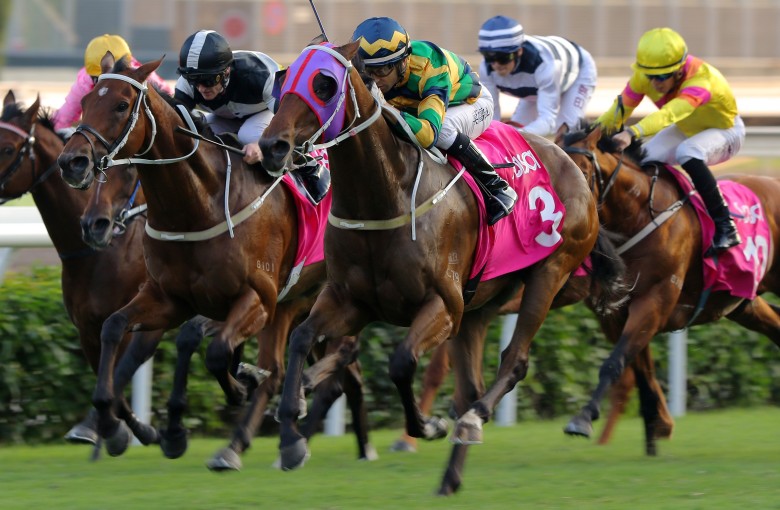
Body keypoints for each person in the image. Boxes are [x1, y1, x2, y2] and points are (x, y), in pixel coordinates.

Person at [351, 16, 517, 226]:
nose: (375, 79)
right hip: (414, 107)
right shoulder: (375, 74)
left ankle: (496, 186)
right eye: (367, 71)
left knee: (444, 129)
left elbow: (429, 135)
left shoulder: (430, 65)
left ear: (403, 62)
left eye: (383, 70)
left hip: (468, 104)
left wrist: (384, 106)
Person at [596, 27, 744, 253]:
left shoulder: (703, 81)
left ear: (679, 70)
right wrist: (592, 133)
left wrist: (632, 133)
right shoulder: (644, 76)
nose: (655, 82)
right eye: (650, 76)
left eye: (662, 76)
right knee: (642, 160)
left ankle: (726, 224)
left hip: (724, 131)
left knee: (688, 151)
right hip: (686, 127)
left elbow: (669, 116)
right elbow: (619, 110)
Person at [175, 29, 329, 203]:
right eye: (194, 80)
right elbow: (177, 124)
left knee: (248, 135)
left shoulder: (258, 74)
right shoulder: (187, 84)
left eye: (209, 80)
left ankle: (307, 165)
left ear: (226, 73)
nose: (201, 88)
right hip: (226, 117)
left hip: (268, 113)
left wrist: (260, 146)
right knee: (199, 134)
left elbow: (287, 122)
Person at [477, 15, 597, 140]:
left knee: (566, 133)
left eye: (503, 58)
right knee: (513, 132)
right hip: (537, 84)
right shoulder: (486, 68)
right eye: (489, 57)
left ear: (519, 51)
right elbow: (491, 118)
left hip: (577, 72)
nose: (496, 64)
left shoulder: (545, 65)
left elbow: (548, 121)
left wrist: (512, 136)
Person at [54, 34, 173, 133]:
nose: (107, 83)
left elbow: (168, 100)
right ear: (91, 74)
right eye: (100, 78)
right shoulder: (84, 82)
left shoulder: (140, 74)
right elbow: (62, 119)